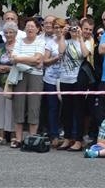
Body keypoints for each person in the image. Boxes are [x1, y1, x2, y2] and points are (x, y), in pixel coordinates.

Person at [9, 17, 45, 148]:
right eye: (28, 26)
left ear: (37, 29)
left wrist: (20, 59)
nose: (30, 28)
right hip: (19, 75)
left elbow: (38, 59)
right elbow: (13, 58)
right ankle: (18, 139)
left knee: (34, 106)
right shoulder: (19, 40)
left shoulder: (41, 42)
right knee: (18, 104)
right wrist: (29, 60)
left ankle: (32, 138)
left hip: (35, 75)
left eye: (32, 26)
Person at [57, 19, 90, 152]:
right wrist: (63, 35)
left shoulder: (85, 41)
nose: (74, 31)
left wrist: (80, 37)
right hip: (65, 79)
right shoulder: (66, 41)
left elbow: (85, 54)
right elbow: (60, 51)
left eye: (76, 28)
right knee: (66, 110)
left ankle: (78, 139)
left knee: (78, 110)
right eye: (71, 28)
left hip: (78, 79)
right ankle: (67, 137)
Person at [0, 22, 17, 145]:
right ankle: (0, 135)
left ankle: (12, 135)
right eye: (6, 32)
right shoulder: (0, 46)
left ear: (15, 33)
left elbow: (19, 64)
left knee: (11, 108)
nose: (8, 34)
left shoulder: (19, 46)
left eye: (11, 32)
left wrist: (8, 69)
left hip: (12, 81)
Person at [41, 16, 63, 147]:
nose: (58, 29)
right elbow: (45, 60)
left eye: (60, 27)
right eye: (56, 27)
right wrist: (55, 59)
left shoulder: (68, 40)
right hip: (50, 79)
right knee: (52, 107)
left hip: (66, 79)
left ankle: (67, 135)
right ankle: (53, 134)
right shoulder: (50, 42)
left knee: (66, 108)